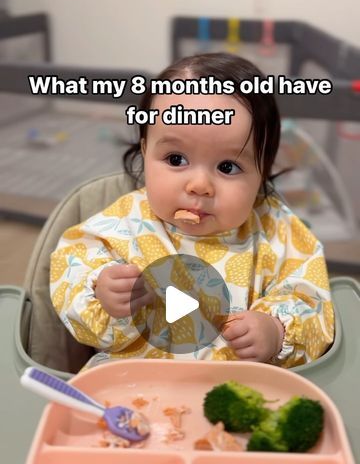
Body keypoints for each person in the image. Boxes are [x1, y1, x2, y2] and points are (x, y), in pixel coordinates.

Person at [50, 52, 334, 369]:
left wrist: (276, 331)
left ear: (262, 172)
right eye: (176, 159)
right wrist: (101, 291)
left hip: (238, 391)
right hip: (131, 390)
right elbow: (70, 271)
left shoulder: (276, 230)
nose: (199, 185)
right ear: (145, 151)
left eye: (228, 166)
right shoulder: (123, 224)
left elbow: (314, 304)